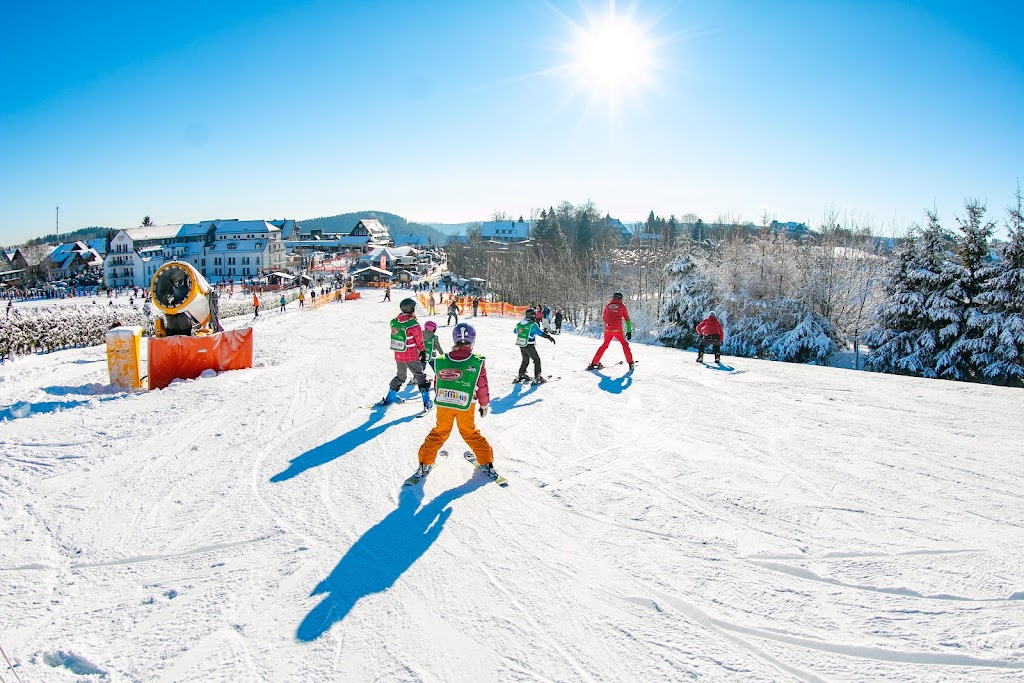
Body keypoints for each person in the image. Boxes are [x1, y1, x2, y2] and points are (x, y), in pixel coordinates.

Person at [414, 323, 497, 479]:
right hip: (466, 404)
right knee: (469, 432)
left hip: (445, 403)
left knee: (440, 431)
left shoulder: (442, 360)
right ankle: (486, 462)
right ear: (472, 341)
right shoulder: (476, 361)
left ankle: (425, 462)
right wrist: (484, 404)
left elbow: (438, 382)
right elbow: (482, 384)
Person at [381, 298, 432, 410]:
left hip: (399, 354)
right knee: (420, 375)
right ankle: (427, 401)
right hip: (411, 355)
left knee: (401, 375)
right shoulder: (413, 324)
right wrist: (422, 351)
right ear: (411, 309)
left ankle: (390, 397)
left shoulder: (394, 321)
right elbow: (419, 340)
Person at [586, 291, 634, 371]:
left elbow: (604, 317)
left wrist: (608, 326)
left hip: (607, 329)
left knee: (605, 345)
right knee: (624, 344)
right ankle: (630, 363)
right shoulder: (622, 306)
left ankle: (594, 362)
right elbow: (627, 319)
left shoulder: (608, 306)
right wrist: (629, 330)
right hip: (617, 329)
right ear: (620, 298)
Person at [514, 308, 556, 384]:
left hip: (522, 345)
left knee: (525, 360)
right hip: (529, 345)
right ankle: (537, 377)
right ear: (532, 316)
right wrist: (549, 337)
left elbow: (515, 331)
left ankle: (521, 374)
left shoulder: (520, 323)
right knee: (536, 360)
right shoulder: (532, 325)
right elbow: (540, 333)